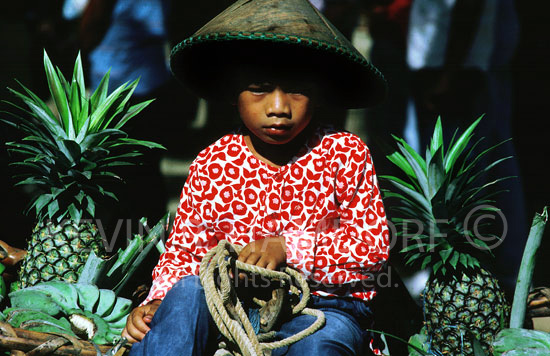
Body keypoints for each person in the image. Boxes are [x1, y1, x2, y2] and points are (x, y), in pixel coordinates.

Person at [122, 0, 390, 355]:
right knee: (185, 295)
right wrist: (158, 302)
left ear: (320, 92)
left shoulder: (345, 153)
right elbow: (185, 253)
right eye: (260, 88)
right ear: (233, 94)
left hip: (322, 309)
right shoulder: (214, 161)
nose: (279, 107)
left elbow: (372, 249)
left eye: (297, 89)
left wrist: (288, 248)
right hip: (230, 308)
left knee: (324, 342)